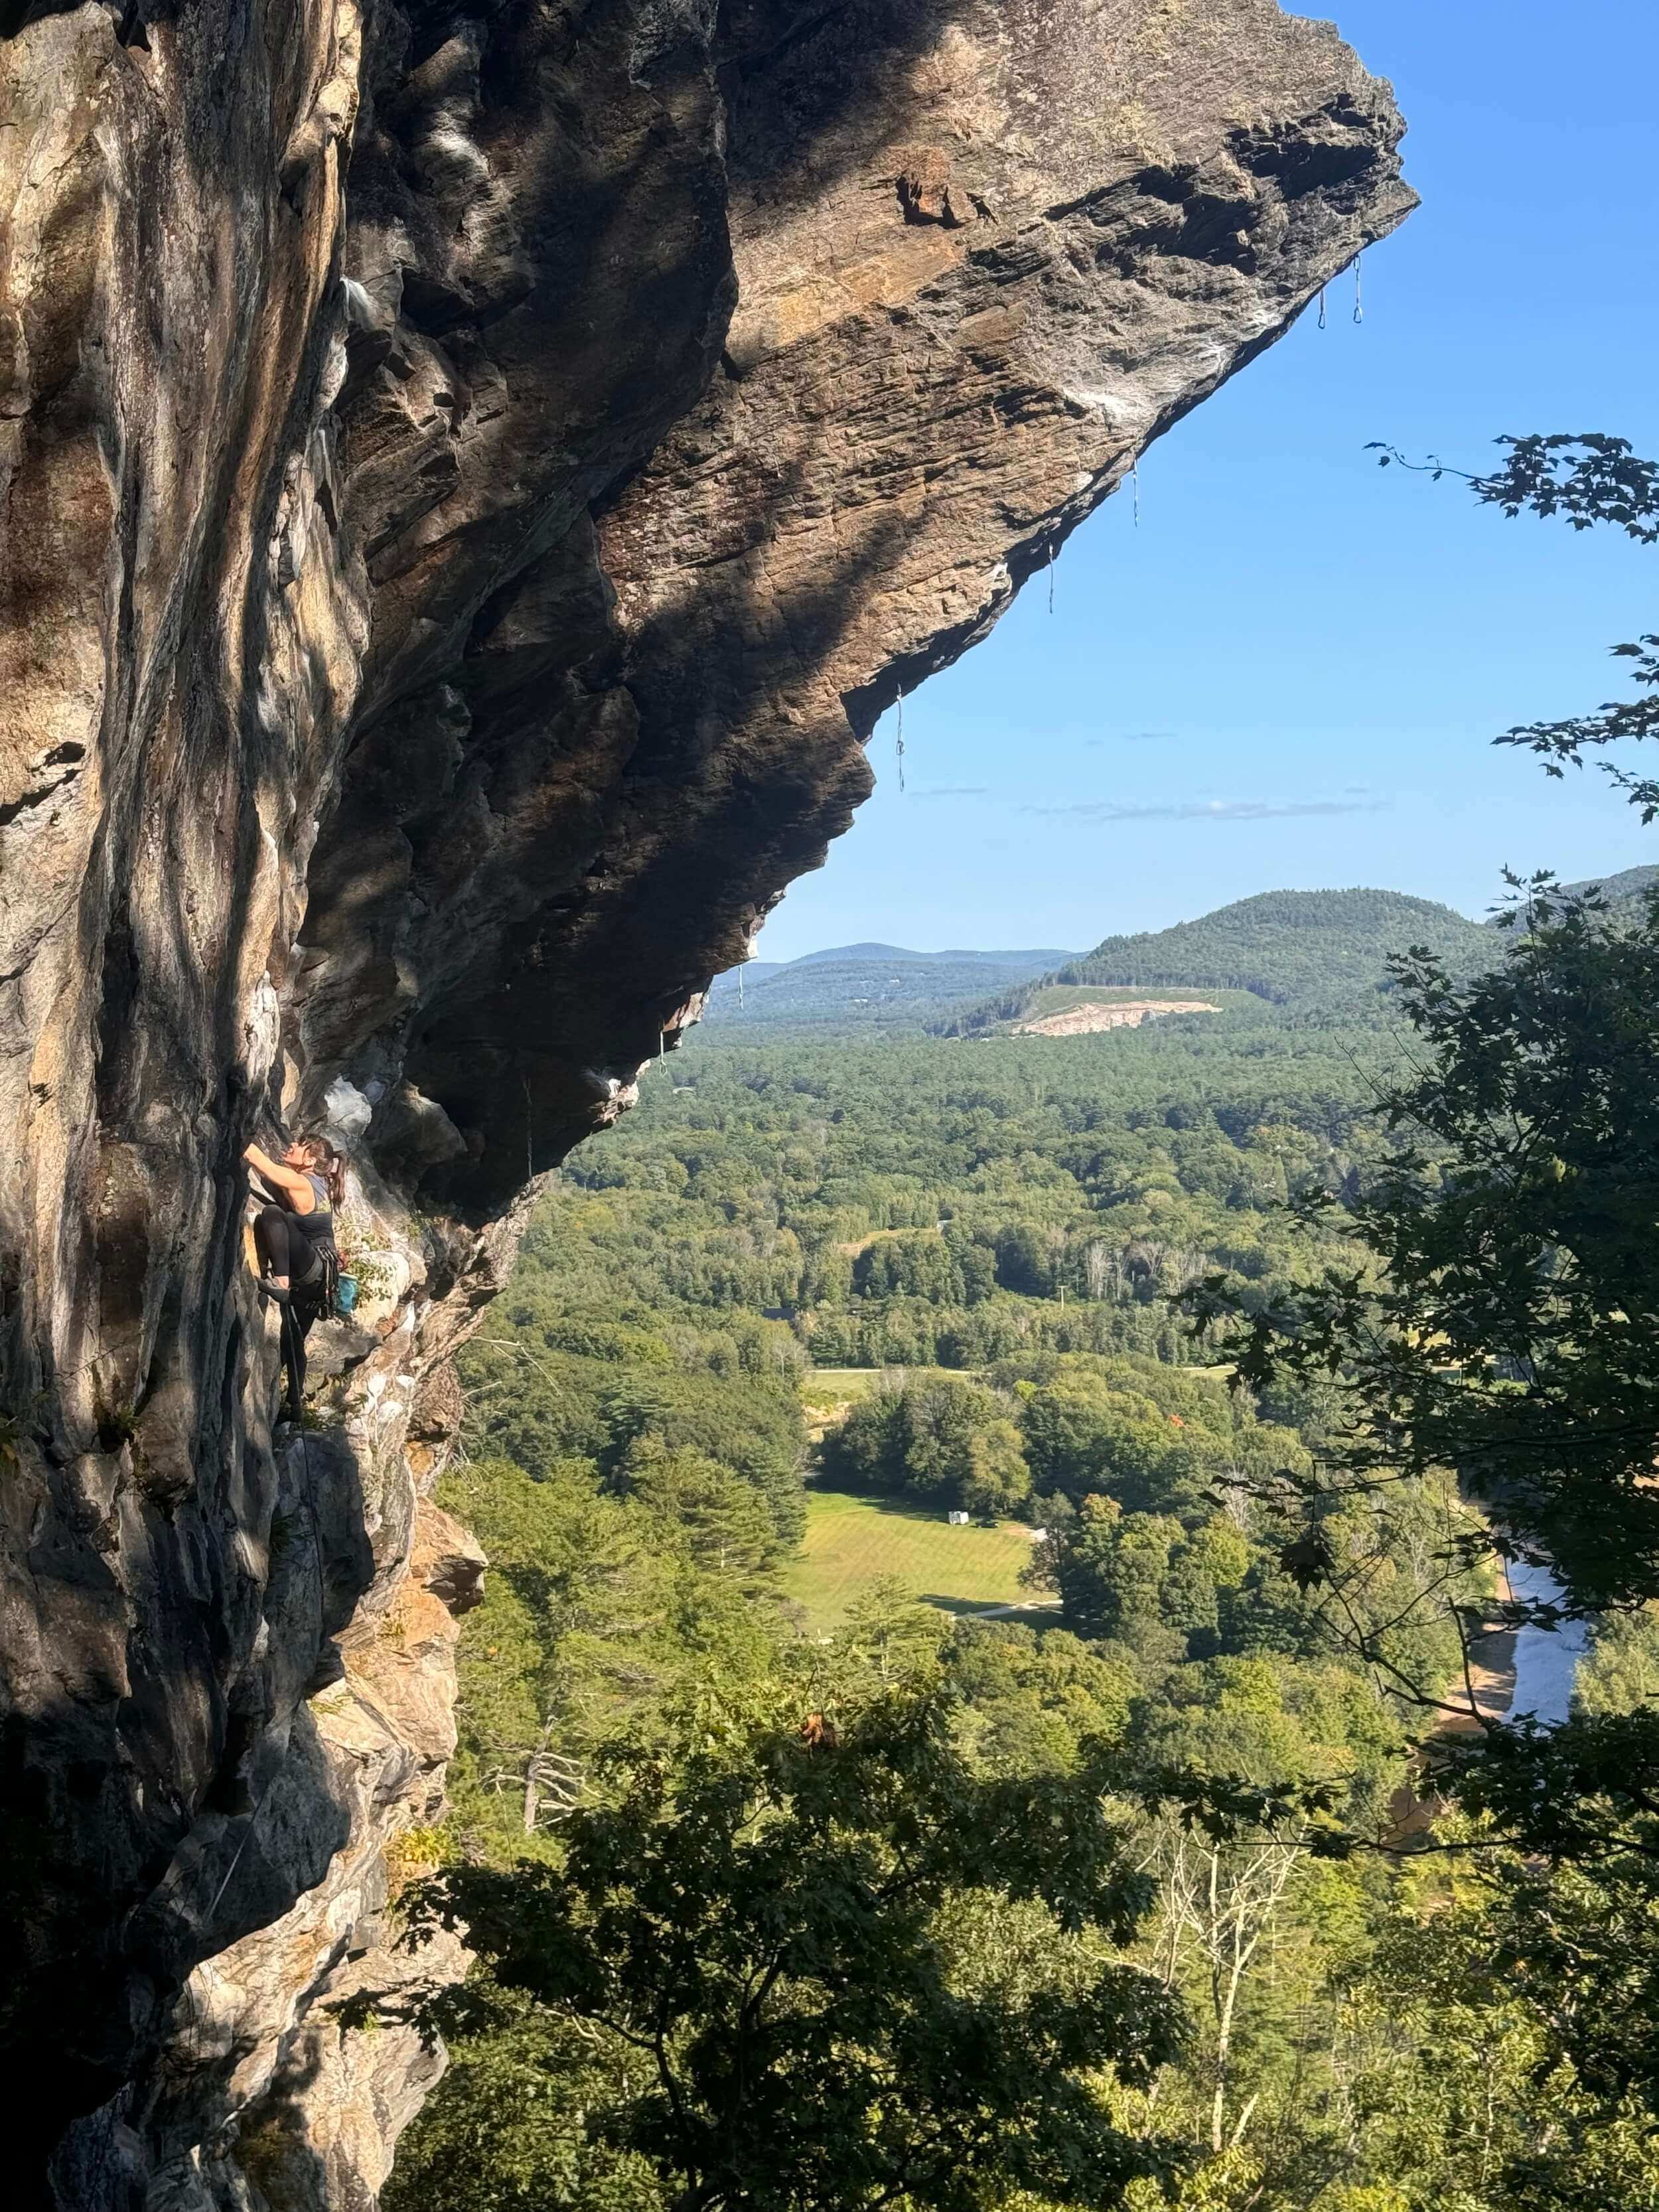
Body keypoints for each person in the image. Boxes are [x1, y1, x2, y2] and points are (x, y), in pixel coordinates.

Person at [244, 1134, 345, 1421]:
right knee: (294, 1337)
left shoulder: (302, 1182)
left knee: (274, 1215)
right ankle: (295, 1406)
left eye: (299, 1145)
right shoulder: (320, 1185)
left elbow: (258, 1161)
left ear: (310, 1160)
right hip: (320, 1281)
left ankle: (283, 1283)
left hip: (311, 1270)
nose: (291, 1145)